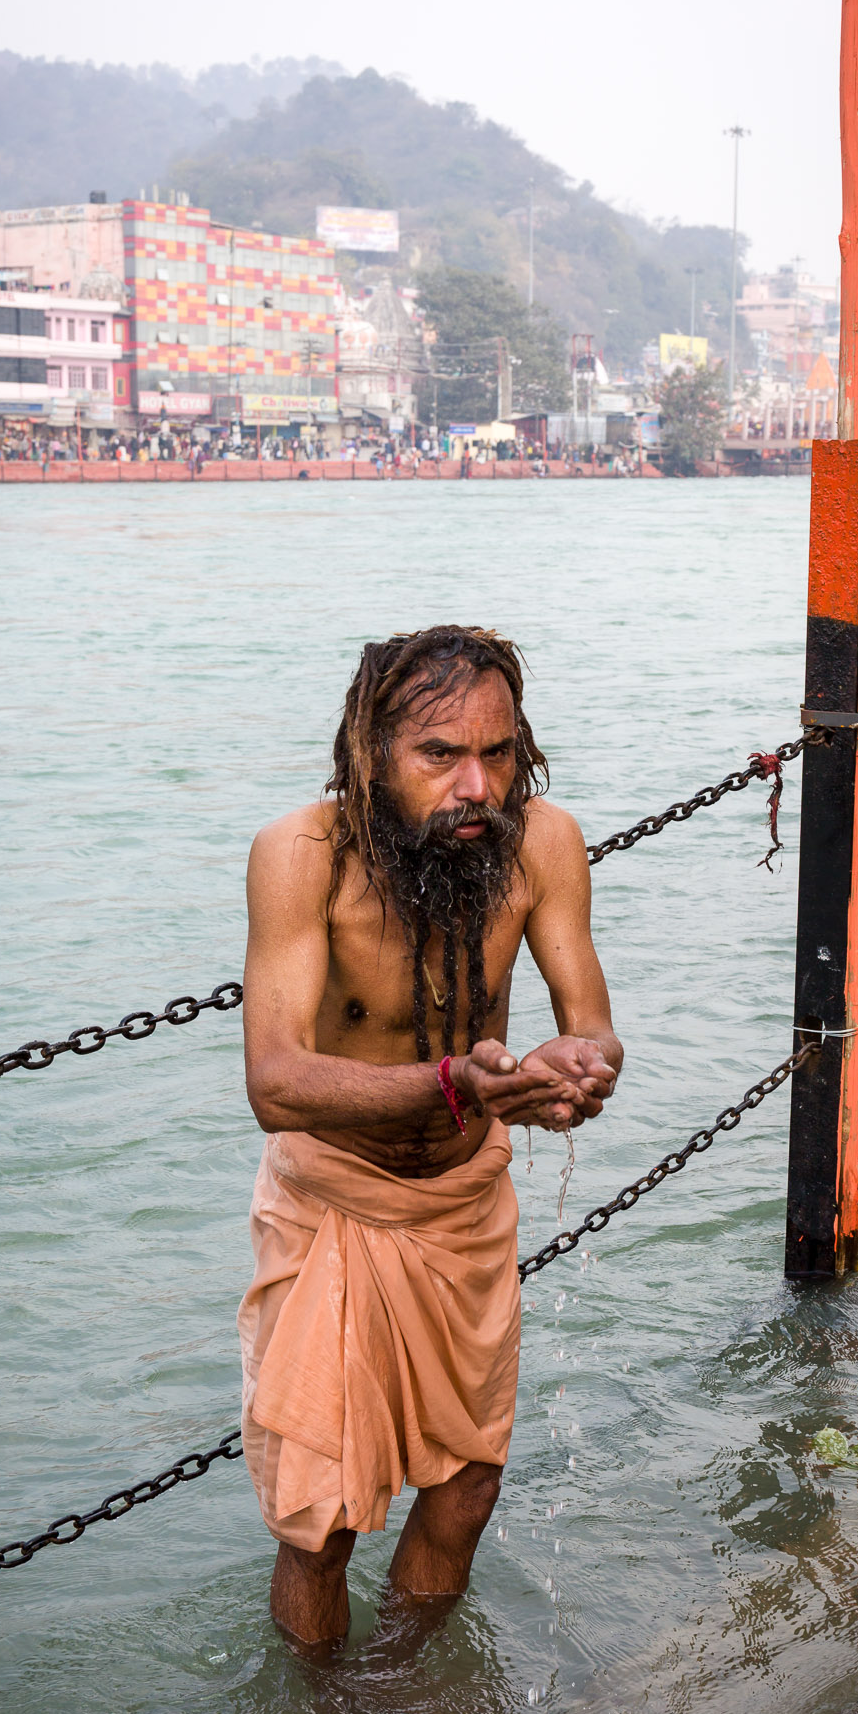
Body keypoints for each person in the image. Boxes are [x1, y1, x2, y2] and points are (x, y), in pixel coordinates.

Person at [239, 626, 622, 1651]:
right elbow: (274, 1082)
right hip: (335, 1203)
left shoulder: (542, 842)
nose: (475, 785)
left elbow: (590, 1023)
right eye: (439, 755)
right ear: (372, 753)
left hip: (463, 1207)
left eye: (498, 752)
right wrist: (457, 1081)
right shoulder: (301, 856)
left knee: (467, 1486)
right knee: (321, 1525)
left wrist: (571, 1076)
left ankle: (403, 1692)